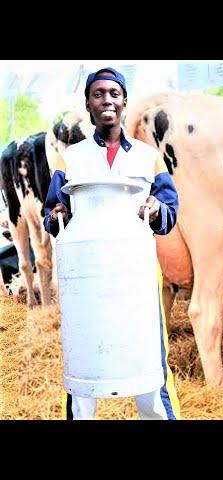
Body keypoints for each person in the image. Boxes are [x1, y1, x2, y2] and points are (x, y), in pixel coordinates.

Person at [43, 67, 181, 420]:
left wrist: (156, 210)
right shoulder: (70, 159)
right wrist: (59, 213)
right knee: (83, 367)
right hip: (86, 275)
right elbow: (51, 217)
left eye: (114, 94)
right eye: (98, 94)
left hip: (136, 274)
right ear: (88, 105)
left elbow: (169, 212)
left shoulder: (147, 158)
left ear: (124, 102)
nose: (107, 100)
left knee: (150, 366)